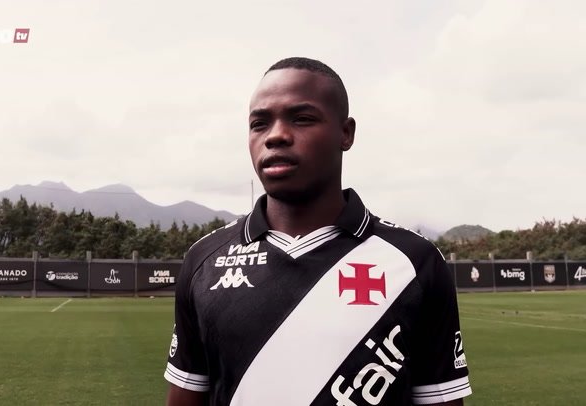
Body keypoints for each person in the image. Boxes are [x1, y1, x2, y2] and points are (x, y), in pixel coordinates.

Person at [164, 57, 472, 406]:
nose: (275, 136)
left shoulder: (415, 261)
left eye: (302, 119)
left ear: (346, 133)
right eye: (259, 123)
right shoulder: (204, 260)